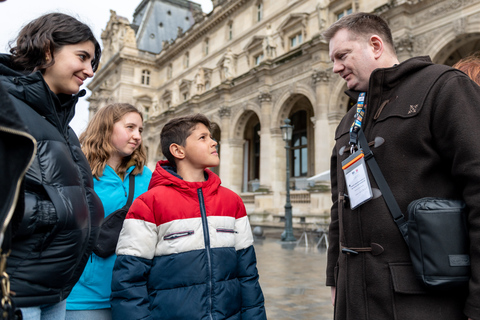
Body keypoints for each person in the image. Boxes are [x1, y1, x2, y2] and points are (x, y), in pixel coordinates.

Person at [323, 12, 480, 320]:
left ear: (375, 45)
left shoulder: (442, 86)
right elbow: (338, 208)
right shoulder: (347, 121)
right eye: (332, 59)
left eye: (342, 55)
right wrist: (335, 278)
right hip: (355, 298)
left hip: (423, 300)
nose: (335, 68)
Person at [111, 114, 267, 320]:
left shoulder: (233, 202)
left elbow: (248, 276)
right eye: (203, 138)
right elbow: (128, 282)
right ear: (178, 150)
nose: (214, 142)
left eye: (211, 136)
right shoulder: (148, 204)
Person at [0, 12, 104, 319]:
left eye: (93, 63)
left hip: (54, 291)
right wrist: (52, 214)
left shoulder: (65, 126)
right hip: (15, 292)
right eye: (82, 57)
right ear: (47, 50)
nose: (89, 71)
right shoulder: (6, 103)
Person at [65, 103, 153, 320]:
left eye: (140, 130)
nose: (137, 136)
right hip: (83, 296)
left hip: (134, 294)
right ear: (106, 128)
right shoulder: (75, 171)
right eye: (130, 127)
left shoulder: (147, 176)